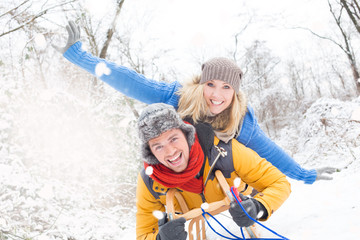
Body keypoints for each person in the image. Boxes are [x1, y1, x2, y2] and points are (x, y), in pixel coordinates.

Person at [54, 21, 336, 184]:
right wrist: (79, 56)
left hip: (214, 174)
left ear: (235, 94)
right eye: (210, 84)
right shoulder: (178, 97)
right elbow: (132, 81)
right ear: (201, 84)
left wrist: (305, 174)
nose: (216, 93)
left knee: (231, 149)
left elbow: (271, 152)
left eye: (226, 88)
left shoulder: (242, 123)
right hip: (178, 168)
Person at [135, 103, 291, 240]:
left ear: (187, 134)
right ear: (151, 154)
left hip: (238, 208)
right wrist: (161, 238)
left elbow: (279, 183)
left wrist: (259, 207)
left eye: (173, 139)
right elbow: (143, 234)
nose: (170, 152)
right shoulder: (150, 181)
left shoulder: (225, 151)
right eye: (158, 146)